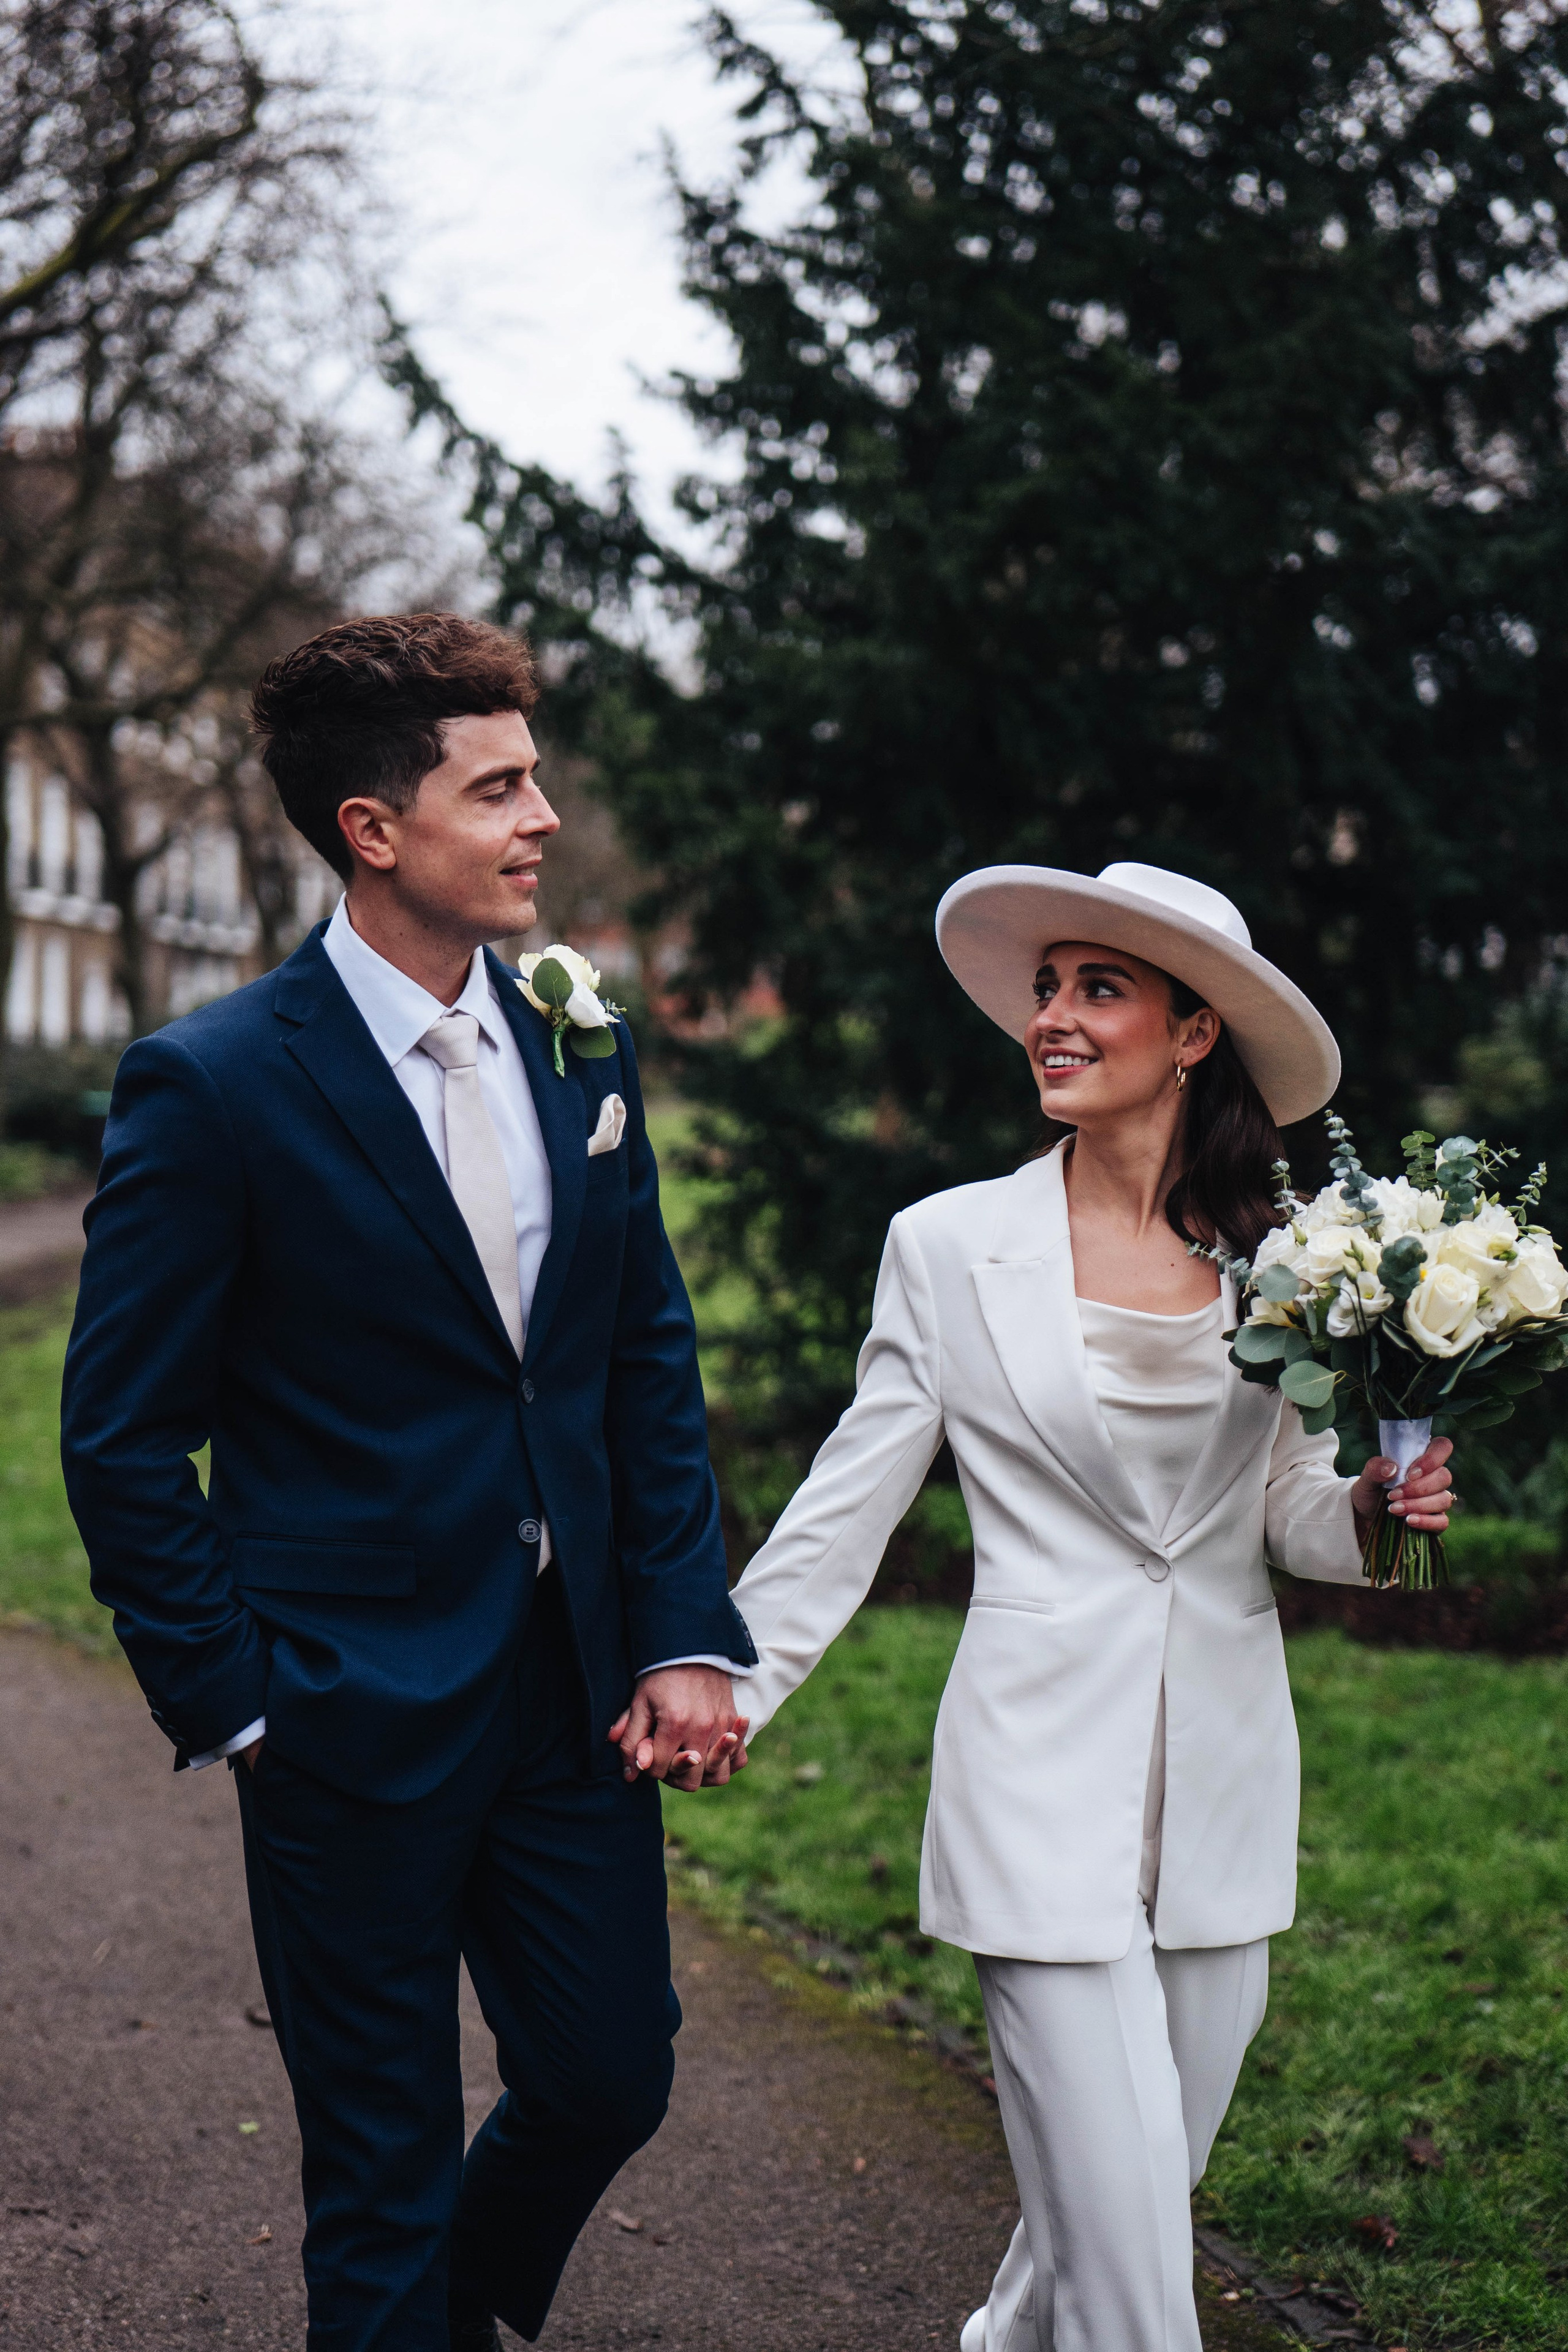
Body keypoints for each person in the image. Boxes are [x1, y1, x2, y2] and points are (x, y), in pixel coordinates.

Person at [59, 612, 756, 2352]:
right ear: (373, 829)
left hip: (570, 1690)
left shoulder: (580, 1046)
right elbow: (121, 1432)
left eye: (535, 780)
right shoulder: (215, 1084)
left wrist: (681, 1627)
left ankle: (440, 2312)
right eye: (498, 788)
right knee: (378, 2161)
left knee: (608, 2073)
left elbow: (639, 1360)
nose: (544, 818)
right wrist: (237, 1704)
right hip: (339, 1704)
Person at [729, 861, 1453, 2352]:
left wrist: (1373, 1516)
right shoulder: (947, 1248)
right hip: (1033, 1781)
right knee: (1132, 2282)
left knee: (1123, 2205)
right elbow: (846, 1503)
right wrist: (723, 1685)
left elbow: (1284, 1512)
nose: (1050, 1018)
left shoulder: (1285, 1264)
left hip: (1221, 1793)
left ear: (1192, 1034)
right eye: (1046, 989)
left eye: (1096, 990)